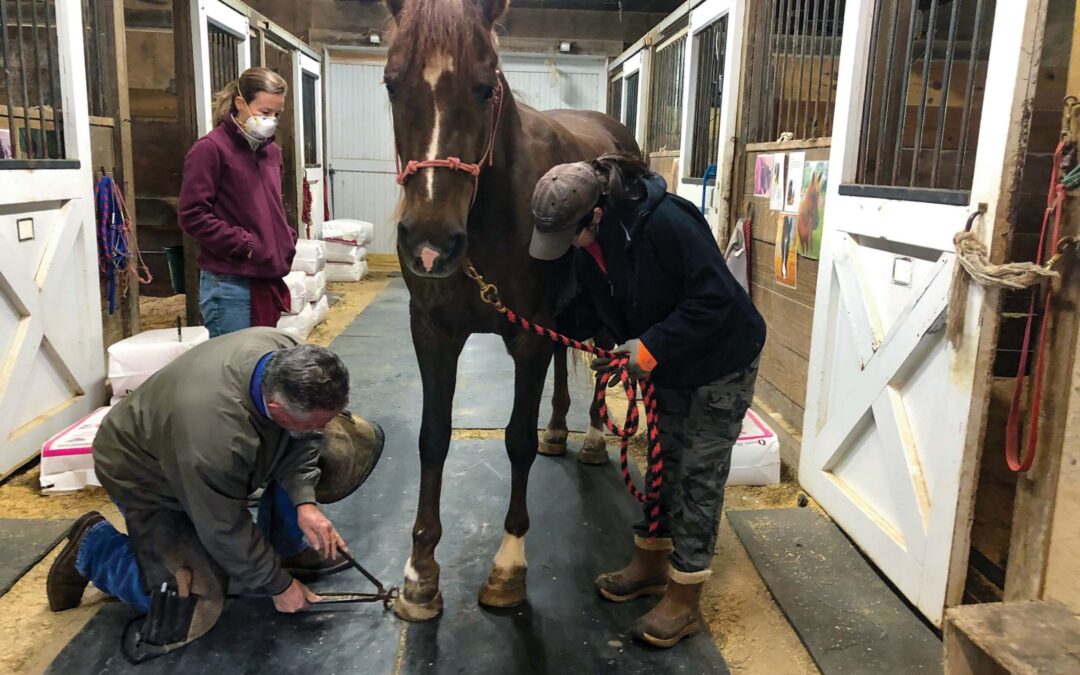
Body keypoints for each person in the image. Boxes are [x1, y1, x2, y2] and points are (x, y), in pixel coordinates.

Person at [529, 155, 767, 649]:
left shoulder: (667, 223)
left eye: (569, 234)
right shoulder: (588, 245)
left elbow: (716, 300)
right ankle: (651, 562)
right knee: (663, 461)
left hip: (722, 357)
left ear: (595, 215)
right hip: (674, 362)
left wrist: (650, 347)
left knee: (697, 475)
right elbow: (603, 306)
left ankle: (684, 596)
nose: (564, 246)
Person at [46, 328, 384, 662]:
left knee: (334, 450)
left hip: (209, 447)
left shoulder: (289, 354)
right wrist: (277, 585)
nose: (319, 431)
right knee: (192, 602)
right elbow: (223, 526)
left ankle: (285, 545)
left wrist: (304, 501)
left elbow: (304, 441)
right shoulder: (212, 442)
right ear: (274, 406)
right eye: (313, 423)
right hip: (144, 472)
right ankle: (94, 547)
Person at [178, 67, 296, 338]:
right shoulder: (211, 149)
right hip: (230, 284)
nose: (270, 121)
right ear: (240, 103)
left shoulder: (271, 153)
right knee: (234, 369)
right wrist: (246, 244)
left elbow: (272, 206)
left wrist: (284, 238)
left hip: (265, 278)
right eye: (264, 112)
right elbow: (192, 214)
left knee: (258, 368)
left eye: (276, 115)